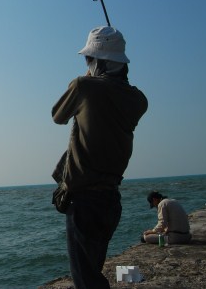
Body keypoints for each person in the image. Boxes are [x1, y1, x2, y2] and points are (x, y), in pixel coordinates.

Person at [51, 26, 148, 289]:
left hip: (84, 200)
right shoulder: (138, 99)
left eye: (87, 58)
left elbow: (58, 115)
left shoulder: (84, 86)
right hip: (110, 200)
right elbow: (113, 97)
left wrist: (87, 76)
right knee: (93, 270)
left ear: (97, 61)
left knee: (86, 279)